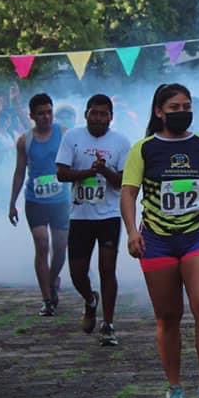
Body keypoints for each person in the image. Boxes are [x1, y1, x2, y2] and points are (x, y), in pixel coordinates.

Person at [120, 83, 199, 398]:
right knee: (168, 316)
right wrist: (132, 231)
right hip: (157, 240)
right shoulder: (143, 148)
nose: (182, 113)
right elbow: (128, 192)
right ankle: (174, 387)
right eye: (174, 108)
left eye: (186, 107)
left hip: (198, 236)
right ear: (159, 111)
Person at [56, 94, 130, 346]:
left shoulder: (121, 143)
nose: (98, 118)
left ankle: (108, 324)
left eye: (103, 114)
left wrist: (105, 170)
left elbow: (122, 181)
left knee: (107, 269)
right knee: (77, 272)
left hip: (109, 215)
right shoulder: (72, 138)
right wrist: (89, 171)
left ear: (111, 117)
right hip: (80, 216)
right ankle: (90, 299)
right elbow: (61, 174)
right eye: (94, 113)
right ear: (86, 114)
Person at [9, 93, 70, 316]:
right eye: (41, 113)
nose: (46, 117)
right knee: (42, 244)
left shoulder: (63, 134)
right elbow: (19, 172)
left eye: (49, 112)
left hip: (61, 200)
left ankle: (52, 280)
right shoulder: (25, 140)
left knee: (60, 247)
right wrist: (12, 203)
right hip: (35, 199)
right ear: (32, 116)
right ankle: (46, 298)